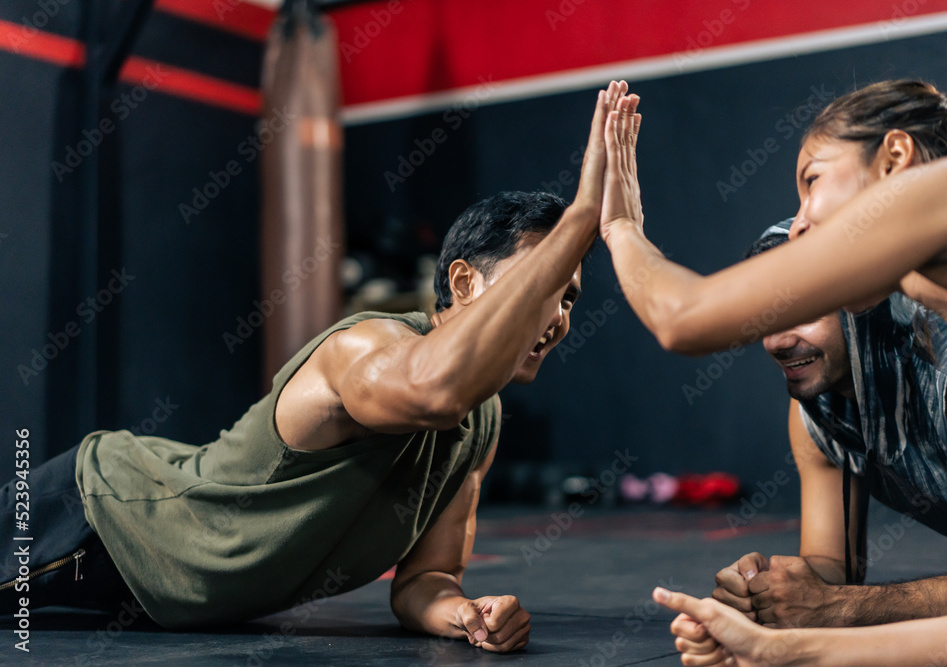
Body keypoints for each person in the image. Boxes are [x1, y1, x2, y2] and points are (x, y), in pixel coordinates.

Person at [0, 81, 639, 653]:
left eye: (570, 294)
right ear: (464, 283)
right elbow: (435, 388)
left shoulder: (484, 419)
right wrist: (582, 218)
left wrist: (467, 616)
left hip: (163, 601)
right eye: (541, 279)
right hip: (101, 519)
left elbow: (427, 578)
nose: (555, 311)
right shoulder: (361, 350)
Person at [598, 79, 947, 664]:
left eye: (812, 181)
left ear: (896, 158)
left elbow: (683, 318)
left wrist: (618, 229)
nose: (803, 222)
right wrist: (775, 648)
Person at [714, 223, 947, 630]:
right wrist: (771, 591)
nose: (777, 341)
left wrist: (844, 607)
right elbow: (832, 569)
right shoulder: (816, 410)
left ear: (862, 303)